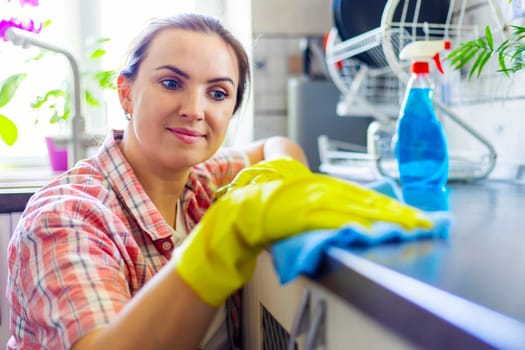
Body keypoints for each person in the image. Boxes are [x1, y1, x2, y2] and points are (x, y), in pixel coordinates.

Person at [7, 12, 435, 350]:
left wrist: (282, 176)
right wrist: (219, 243)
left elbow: (276, 144)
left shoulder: (199, 179)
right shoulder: (66, 217)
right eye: (171, 82)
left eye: (217, 93)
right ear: (125, 93)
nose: (195, 109)